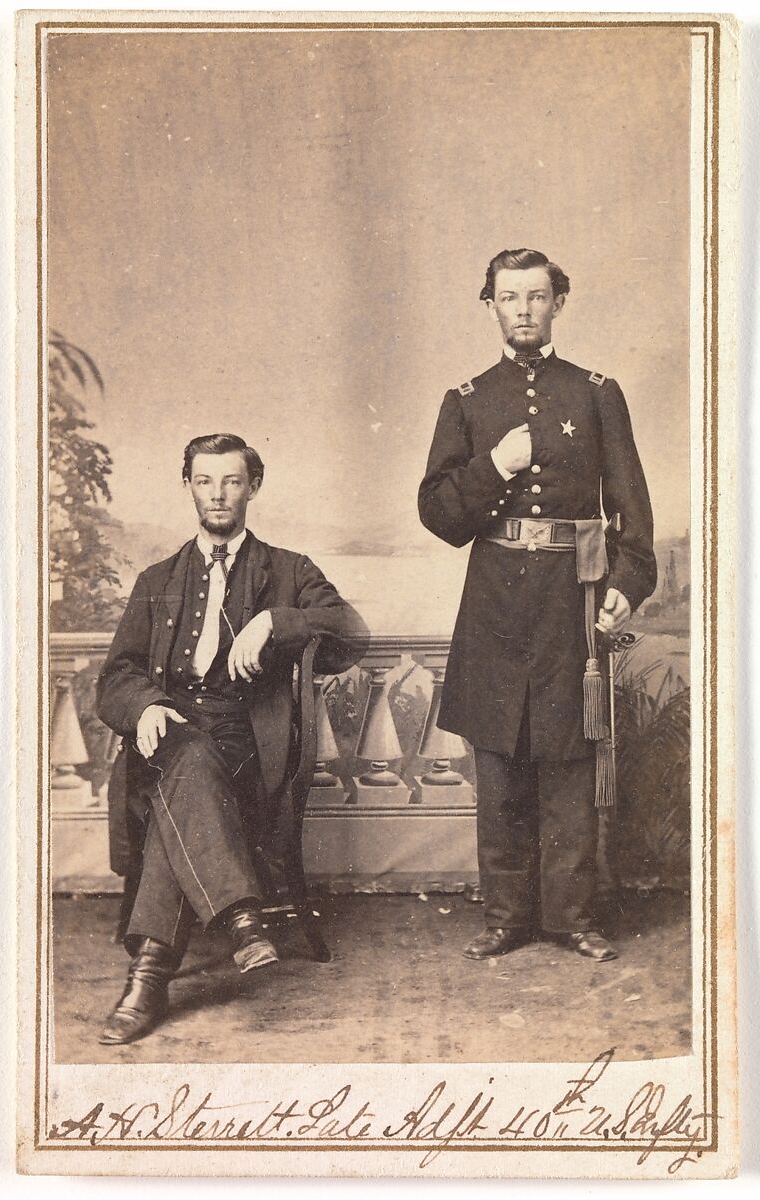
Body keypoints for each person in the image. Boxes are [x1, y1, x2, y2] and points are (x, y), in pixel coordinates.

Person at [418, 248, 656, 963]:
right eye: (508, 297)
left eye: (535, 296)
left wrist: (624, 583)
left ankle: (573, 918)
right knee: (498, 766)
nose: (522, 309)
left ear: (557, 302)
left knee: (568, 766)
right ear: (488, 304)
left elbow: (632, 515)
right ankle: (505, 917)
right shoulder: (465, 400)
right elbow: (437, 513)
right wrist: (495, 466)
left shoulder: (594, 392)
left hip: (569, 602)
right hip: (493, 604)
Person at [96, 432, 368, 1043]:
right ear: (188, 485)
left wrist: (277, 620)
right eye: (204, 481)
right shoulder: (157, 579)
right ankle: (241, 919)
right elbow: (116, 674)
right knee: (181, 759)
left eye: (231, 481)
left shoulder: (288, 572)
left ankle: (148, 981)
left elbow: (352, 631)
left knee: (186, 774)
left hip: (244, 743)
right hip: (165, 731)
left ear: (253, 486)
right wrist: (141, 706)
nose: (217, 495)